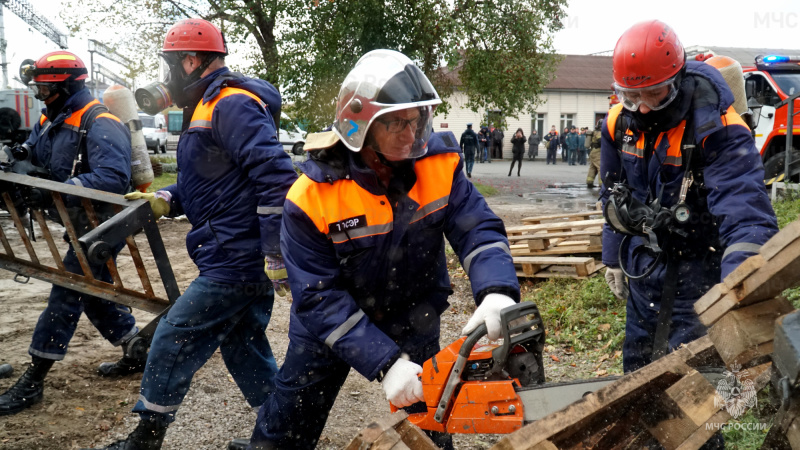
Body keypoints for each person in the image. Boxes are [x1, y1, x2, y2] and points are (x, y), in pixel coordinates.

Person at [244, 49, 520, 450]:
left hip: (413, 312)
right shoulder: (311, 197)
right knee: (286, 424)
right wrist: (385, 363)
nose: (410, 135)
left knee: (430, 426)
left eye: (416, 121)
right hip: (330, 327)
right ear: (361, 128)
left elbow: (477, 228)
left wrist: (496, 290)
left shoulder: (439, 167)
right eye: (395, 124)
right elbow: (318, 296)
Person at [86, 18, 297, 450]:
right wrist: (167, 195)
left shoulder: (230, 104)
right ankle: (284, 436)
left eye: (168, 65)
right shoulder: (206, 106)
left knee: (172, 336)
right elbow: (211, 178)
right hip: (232, 249)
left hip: (236, 255)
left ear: (190, 60)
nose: (165, 77)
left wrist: (276, 253)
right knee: (245, 347)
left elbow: (277, 178)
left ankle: (146, 437)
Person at [600, 20, 778, 378]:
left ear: (676, 80)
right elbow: (613, 191)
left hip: (698, 271)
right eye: (632, 96)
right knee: (637, 374)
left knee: (694, 386)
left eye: (655, 94)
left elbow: (745, 210)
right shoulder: (619, 122)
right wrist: (612, 256)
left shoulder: (718, 127)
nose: (644, 108)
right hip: (643, 268)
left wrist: (737, 288)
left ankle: (707, 431)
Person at [0, 50, 139, 416]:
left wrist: (53, 188)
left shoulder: (99, 121)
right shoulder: (50, 120)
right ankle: (137, 347)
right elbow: (33, 159)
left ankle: (34, 379)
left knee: (69, 288)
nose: (38, 94)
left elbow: (112, 179)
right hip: (79, 222)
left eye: (44, 88)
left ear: (65, 85)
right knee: (93, 293)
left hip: (106, 224)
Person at [586, 120, 603, 188]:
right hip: (597, 152)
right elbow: (600, 141)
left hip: (593, 151)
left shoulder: (594, 131)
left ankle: (589, 182)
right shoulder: (599, 132)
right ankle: (602, 184)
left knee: (593, 167)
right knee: (600, 167)